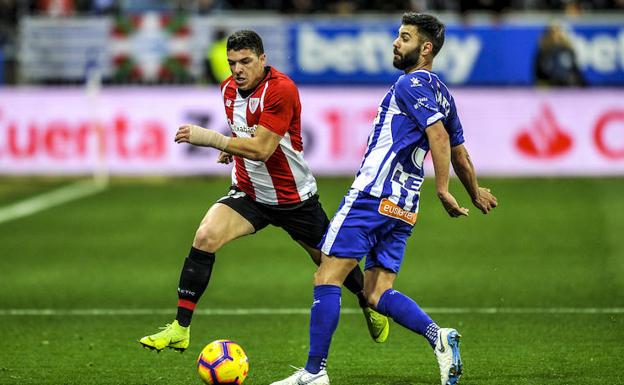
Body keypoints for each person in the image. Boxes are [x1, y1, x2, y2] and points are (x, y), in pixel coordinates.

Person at [270, 13, 498, 385]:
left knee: (327, 276)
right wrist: (475, 192)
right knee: (376, 292)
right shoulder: (444, 93)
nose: (396, 42)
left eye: (405, 37)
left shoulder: (412, 84)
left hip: (372, 196)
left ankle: (314, 373)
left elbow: (439, 138)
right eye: (398, 35)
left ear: (425, 49)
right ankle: (438, 338)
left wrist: (443, 189)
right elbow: (460, 152)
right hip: (402, 208)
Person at [139, 30, 389, 353]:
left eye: (245, 61)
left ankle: (368, 303)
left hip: (293, 199)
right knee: (204, 237)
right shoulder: (228, 89)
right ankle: (180, 328)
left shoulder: (281, 90)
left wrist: (212, 139)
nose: (238, 69)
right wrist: (232, 149)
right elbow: (245, 131)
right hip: (249, 193)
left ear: (262, 60)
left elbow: (262, 148)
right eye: (232, 63)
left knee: (334, 264)